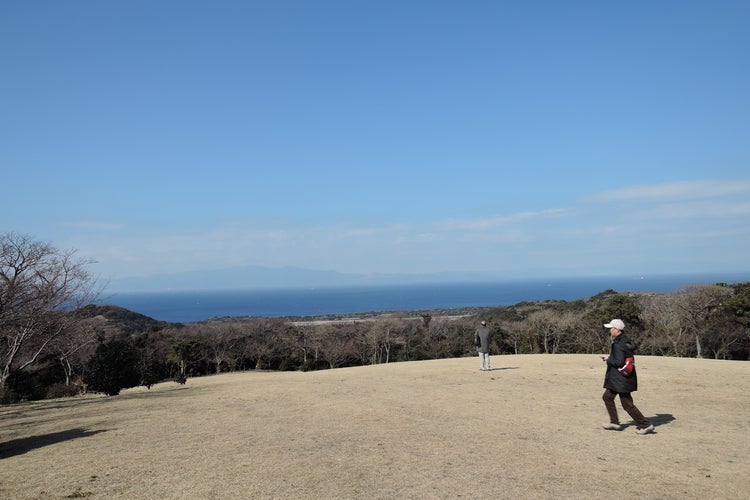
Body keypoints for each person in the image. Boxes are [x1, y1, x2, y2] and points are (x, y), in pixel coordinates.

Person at [600, 319, 654, 435]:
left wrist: (608, 359)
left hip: (620, 379)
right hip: (623, 377)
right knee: (607, 397)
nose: (610, 330)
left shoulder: (618, 344)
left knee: (627, 404)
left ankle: (646, 425)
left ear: (617, 329)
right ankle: (614, 422)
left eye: (611, 328)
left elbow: (619, 362)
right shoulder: (626, 340)